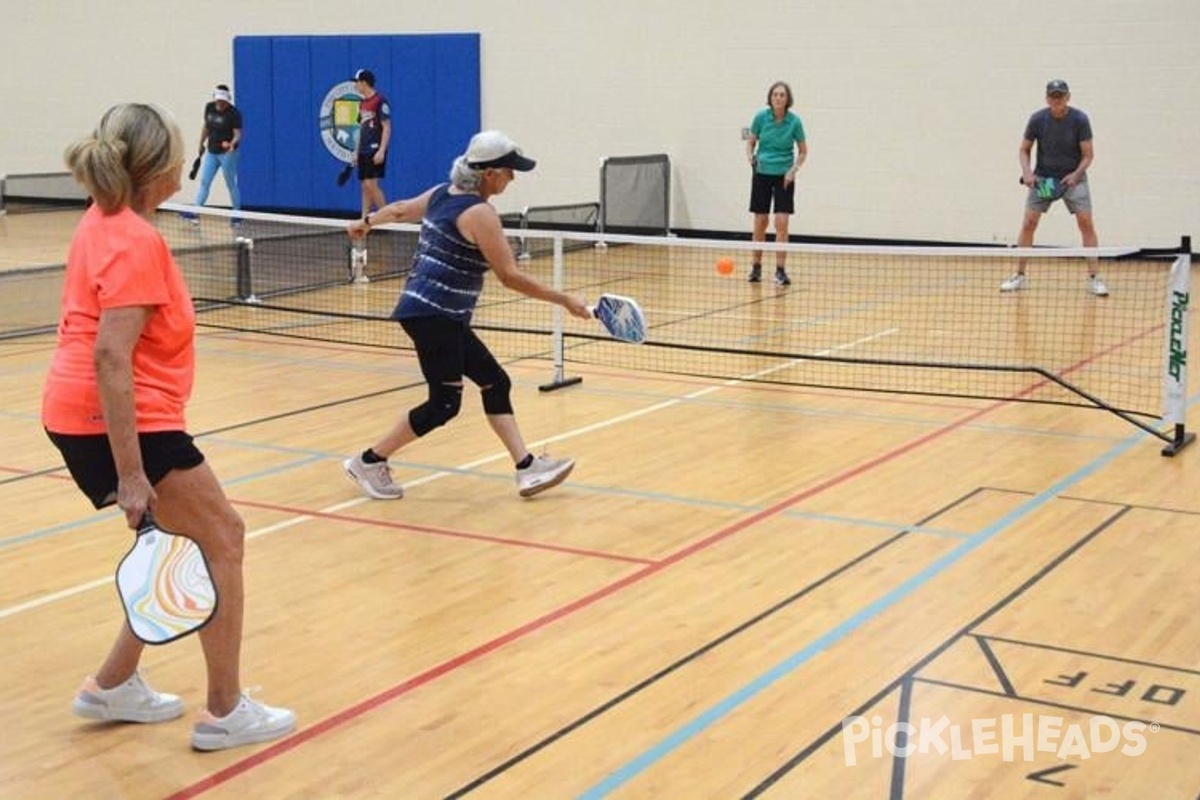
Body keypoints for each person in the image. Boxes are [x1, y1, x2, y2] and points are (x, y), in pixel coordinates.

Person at [44, 103, 294, 751]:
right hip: (124, 421)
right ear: (158, 169)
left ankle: (112, 684)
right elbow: (109, 354)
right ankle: (225, 708)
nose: (186, 169)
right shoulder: (135, 239)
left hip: (78, 415)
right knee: (224, 539)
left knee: (185, 544)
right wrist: (131, 473)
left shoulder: (100, 224)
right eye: (179, 158)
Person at [342, 130, 592, 501]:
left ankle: (526, 469)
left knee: (495, 381)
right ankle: (369, 460)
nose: (513, 178)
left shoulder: (443, 193)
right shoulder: (480, 214)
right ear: (489, 173)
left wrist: (367, 222)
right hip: (434, 313)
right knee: (445, 404)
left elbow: (398, 210)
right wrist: (565, 300)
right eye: (510, 171)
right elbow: (510, 276)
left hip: (437, 313)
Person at [1002, 79, 1107, 296]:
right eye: (1053, 96)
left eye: (1060, 95)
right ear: (1047, 98)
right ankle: (1019, 275)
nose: (1057, 99)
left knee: (1085, 223)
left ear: (1068, 97)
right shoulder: (1038, 119)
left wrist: (1075, 175)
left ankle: (1095, 278)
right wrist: (1028, 172)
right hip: (1046, 182)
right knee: (1029, 222)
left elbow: (1088, 155)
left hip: (1073, 179)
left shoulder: (1080, 119)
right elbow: (1024, 150)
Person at [746, 80, 808, 286]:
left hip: (784, 177)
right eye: (775, 94)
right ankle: (756, 266)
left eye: (782, 95)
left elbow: (803, 151)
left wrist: (793, 170)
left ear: (787, 99)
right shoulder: (760, 118)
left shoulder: (795, 122)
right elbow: (751, 140)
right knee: (760, 222)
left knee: (781, 222)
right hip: (762, 173)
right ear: (770, 98)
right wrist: (750, 156)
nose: (778, 98)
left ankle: (780, 270)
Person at [188, 84, 243, 226]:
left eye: (223, 100)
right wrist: (200, 143)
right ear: (215, 98)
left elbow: (238, 134)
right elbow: (206, 126)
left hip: (227, 154)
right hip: (211, 152)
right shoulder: (209, 108)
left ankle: (237, 215)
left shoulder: (234, 114)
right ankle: (195, 213)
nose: (220, 103)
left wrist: (232, 144)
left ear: (227, 99)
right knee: (205, 182)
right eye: (218, 100)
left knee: (230, 183)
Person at [352, 68, 391, 219]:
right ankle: (364, 220)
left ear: (363, 83)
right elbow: (360, 128)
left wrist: (381, 150)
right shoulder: (362, 104)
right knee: (364, 186)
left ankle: (387, 218)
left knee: (371, 185)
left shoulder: (380, 101)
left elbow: (387, 127)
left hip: (374, 149)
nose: (356, 86)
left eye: (357, 83)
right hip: (363, 150)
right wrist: (356, 152)